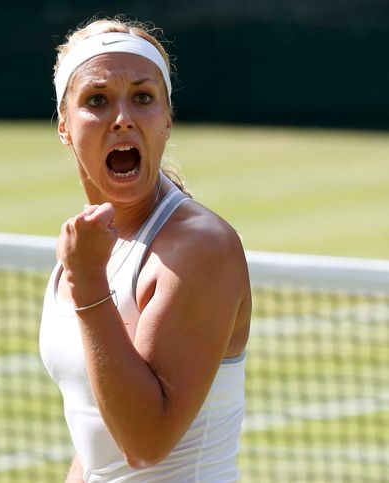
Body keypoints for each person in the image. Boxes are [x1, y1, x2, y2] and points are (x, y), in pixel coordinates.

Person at [39, 17, 251, 482]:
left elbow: (144, 444)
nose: (122, 118)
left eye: (143, 98)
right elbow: (96, 444)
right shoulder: (89, 247)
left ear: (167, 119)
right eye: (97, 101)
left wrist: (88, 282)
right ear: (65, 126)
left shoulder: (200, 247)